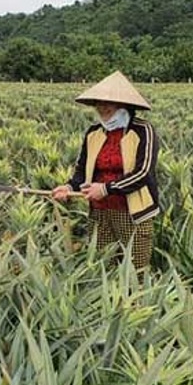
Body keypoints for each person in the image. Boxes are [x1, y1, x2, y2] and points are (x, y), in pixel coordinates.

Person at [52, 71, 159, 272]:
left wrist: (107, 189)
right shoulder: (94, 133)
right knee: (102, 265)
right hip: (100, 211)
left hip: (133, 213)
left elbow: (143, 172)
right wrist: (68, 187)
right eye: (99, 102)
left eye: (109, 102)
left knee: (135, 270)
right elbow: (82, 170)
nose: (102, 107)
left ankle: (134, 304)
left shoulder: (143, 130)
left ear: (124, 104)